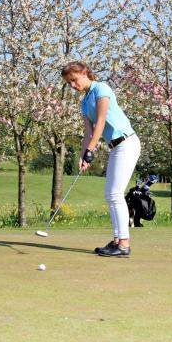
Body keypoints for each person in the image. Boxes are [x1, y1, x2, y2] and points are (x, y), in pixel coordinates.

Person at [62, 61, 141, 257]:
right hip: (115, 147)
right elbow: (88, 133)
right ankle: (117, 241)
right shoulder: (84, 102)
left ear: (84, 72)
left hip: (126, 143)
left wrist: (91, 149)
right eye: (69, 83)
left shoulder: (101, 89)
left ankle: (123, 244)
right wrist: (84, 156)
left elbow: (102, 119)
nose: (73, 85)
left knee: (115, 194)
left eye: (74, 80)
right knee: (110, 194)